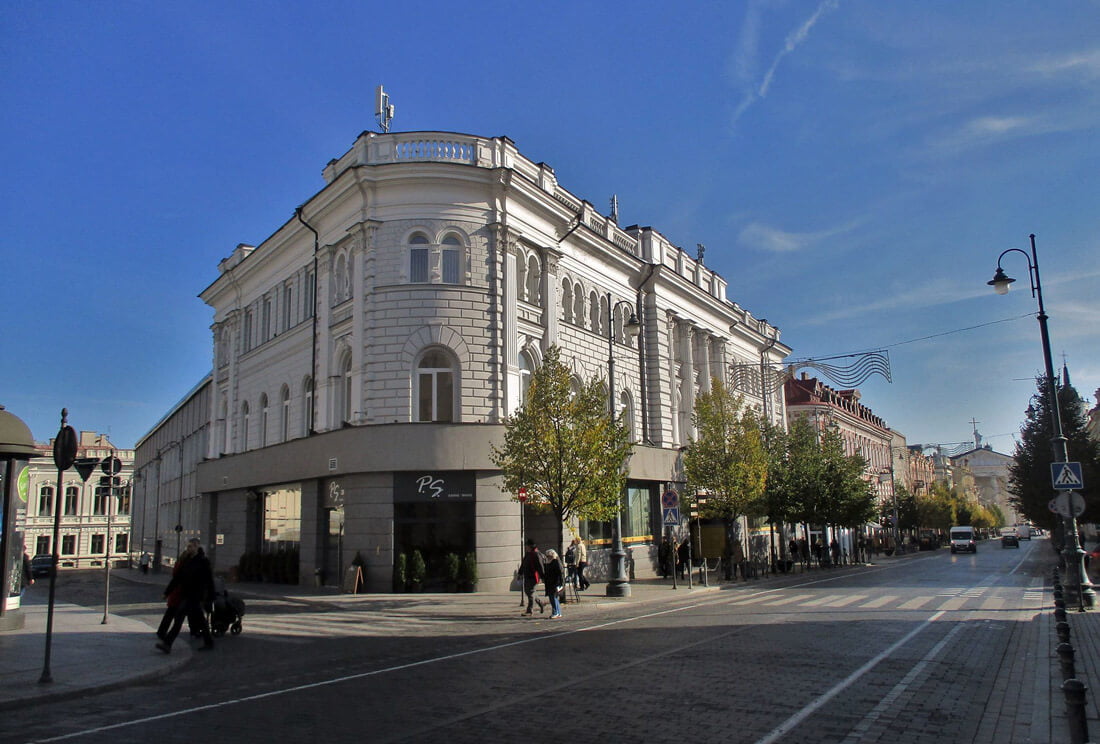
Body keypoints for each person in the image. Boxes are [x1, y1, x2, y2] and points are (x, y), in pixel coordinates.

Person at [156, 538, 215, 653]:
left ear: (196, 547)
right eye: (187, 546)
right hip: (186, 595)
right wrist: (167, 593)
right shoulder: (187, 561)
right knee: (199, 621)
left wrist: (210, 597)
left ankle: (167, 644)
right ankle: (209, 642)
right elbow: (177, 578)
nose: (188, 549)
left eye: (190, 546)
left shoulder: (203, 561)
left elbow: (209, 580)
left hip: (196, 596)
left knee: (180, 620)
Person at [519, 539, 546, 615]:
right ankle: (541, 603)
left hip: (534, 576)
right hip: (527, 575)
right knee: (529, 591)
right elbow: (523, 564)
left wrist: (543, 576)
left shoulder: (536, 554)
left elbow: (540, 566)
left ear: (530, 546)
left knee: (530, 592)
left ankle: (529, 610)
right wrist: (520, 572)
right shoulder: (528, 554)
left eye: (527, 546)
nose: (526, 547)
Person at [543, 549, 564, 619]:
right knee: (554, 598)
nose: (547, 557)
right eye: (547, 556)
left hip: (554, 583)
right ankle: (558, 612)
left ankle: (555, 612)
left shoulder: (555, 562)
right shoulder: (549, 562)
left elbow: (559, 573)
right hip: (550, 583)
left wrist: (559, 583)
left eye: (548, 556)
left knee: (553, 598)